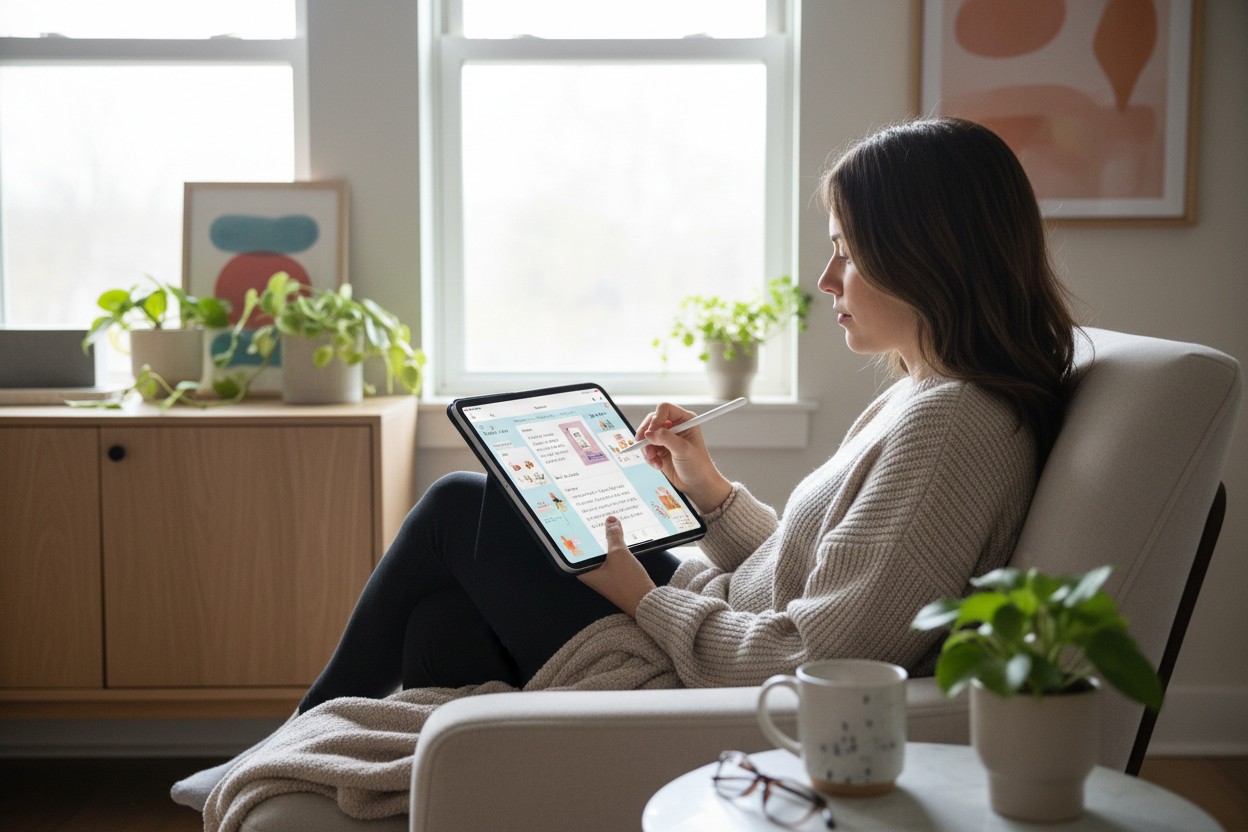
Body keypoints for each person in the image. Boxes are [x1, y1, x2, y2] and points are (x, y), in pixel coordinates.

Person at [175, 116, 1078, 818]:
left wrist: (635, 594)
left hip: (701, 673)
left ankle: (285, 746)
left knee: (460, 504)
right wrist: (710, 494)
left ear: (927, 251)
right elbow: (812, 578)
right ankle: (415, 776)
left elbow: (813, 657)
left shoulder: (955, 427)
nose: (826, 278)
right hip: (710, 626)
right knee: (445, 620)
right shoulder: (928, 394)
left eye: (847, 247)